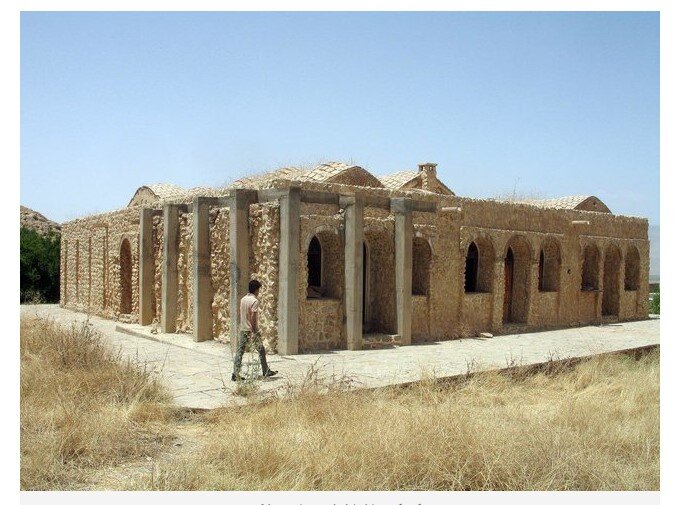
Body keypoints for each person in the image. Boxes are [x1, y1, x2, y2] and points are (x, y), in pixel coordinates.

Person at [232, 279, 278, 381]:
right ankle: (266, 370)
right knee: (261, 349)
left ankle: (235, 373)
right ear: (256, 289)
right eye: (258, 290)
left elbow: (241, 314)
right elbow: (253, 316)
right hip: (251, 329)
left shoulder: (243, 299)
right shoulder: (254, 301)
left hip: (243, 328)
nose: (259, 292)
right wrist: (254, 331)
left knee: (240, 351)